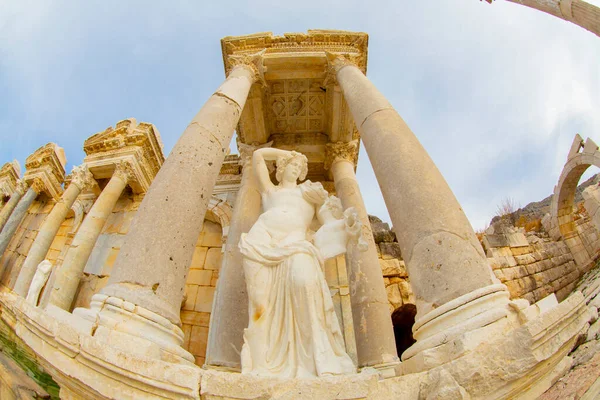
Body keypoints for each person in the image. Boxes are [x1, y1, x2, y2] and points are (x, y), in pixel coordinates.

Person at [239, 148, 355, 378]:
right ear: (280, 169)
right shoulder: (269, 190)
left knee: (304, 287)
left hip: (297, 246)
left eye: (298, 166)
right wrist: (287, 152)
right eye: (290, 165)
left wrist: (346, 226)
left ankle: (314, 359)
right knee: (260, 305)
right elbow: (258, 156)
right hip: (260, 242)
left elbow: (329, 220)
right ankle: (262, 365)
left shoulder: (309, 191)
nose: (295, 168)